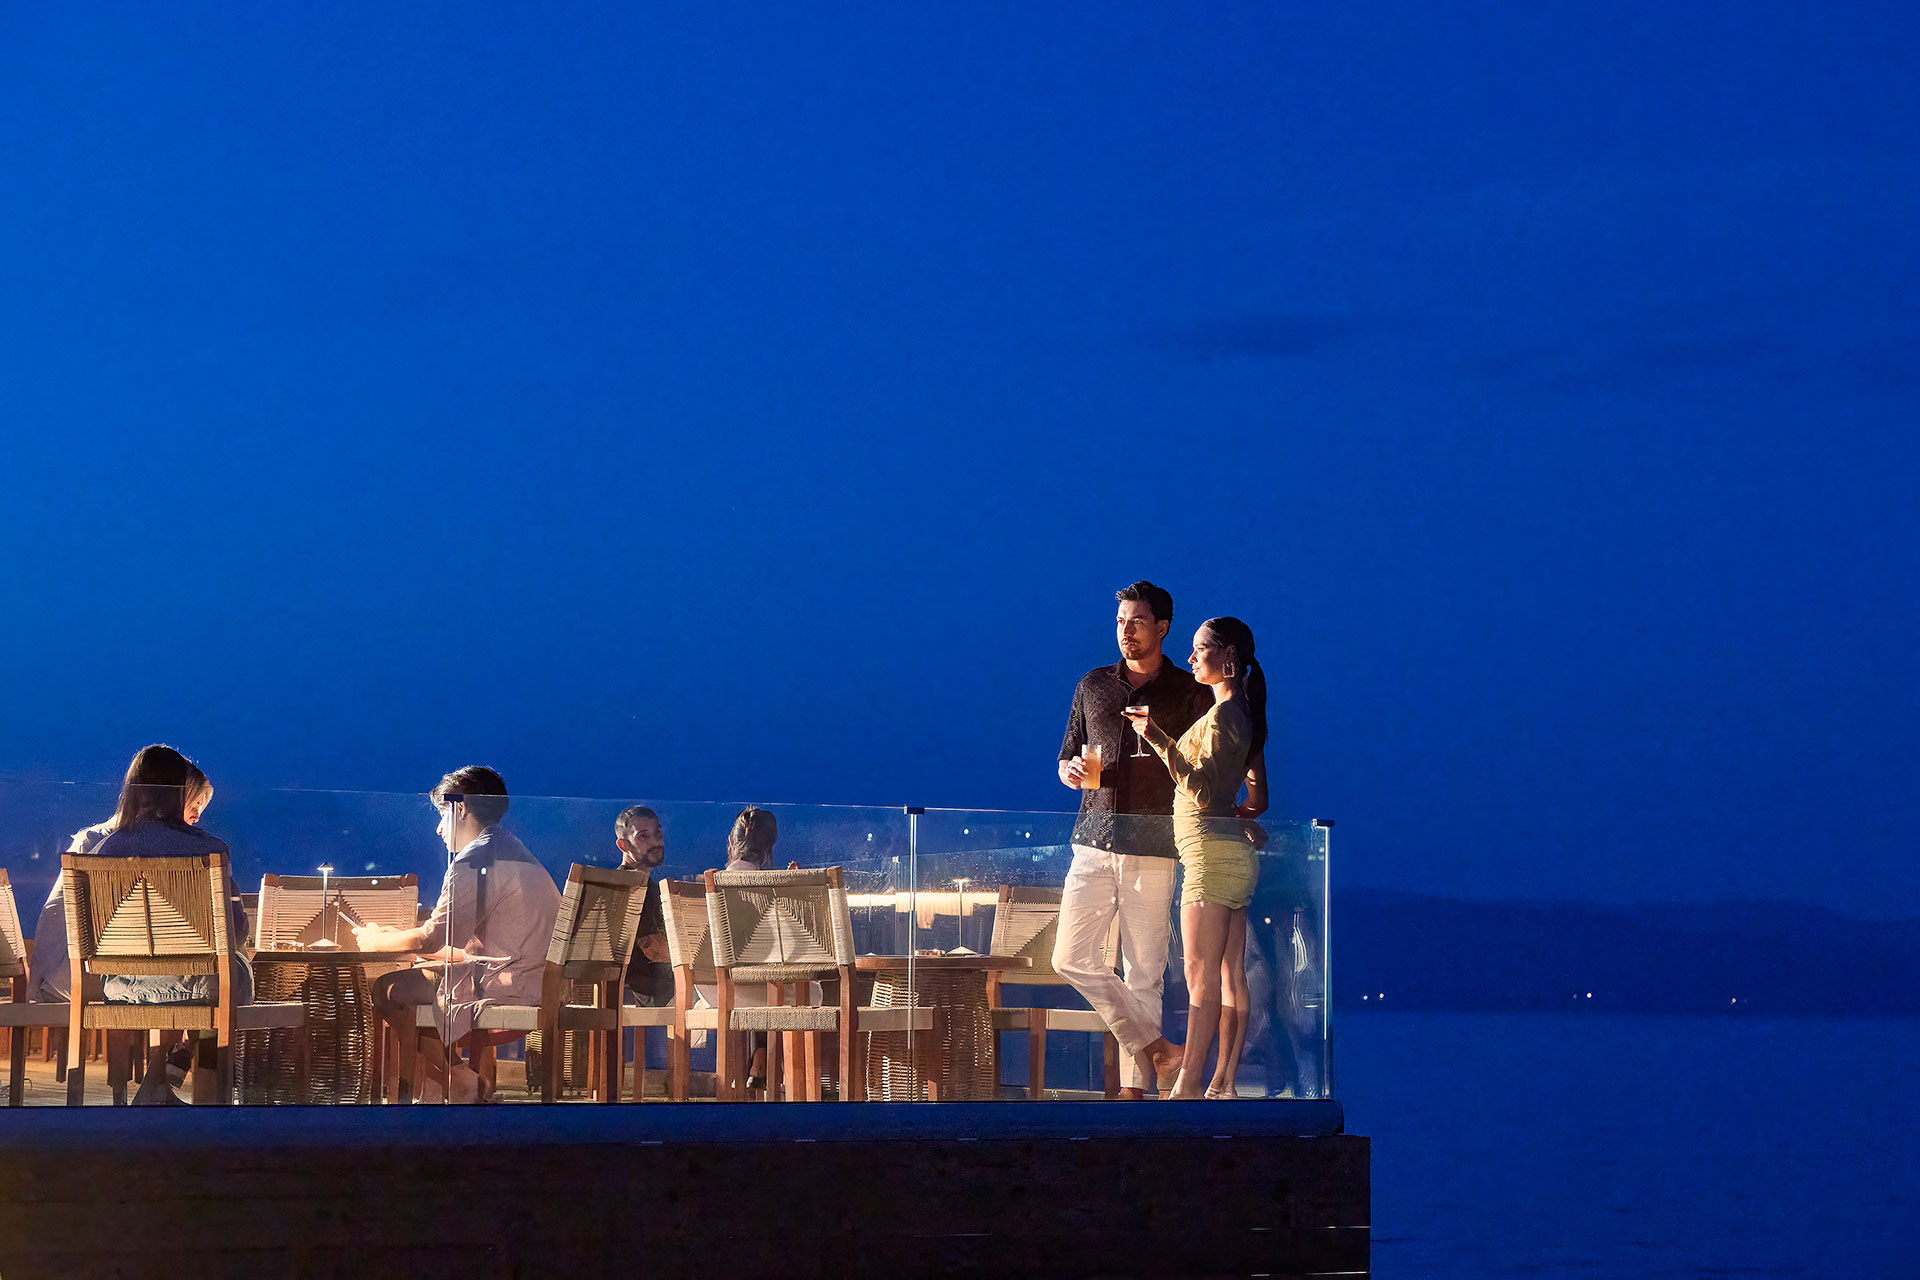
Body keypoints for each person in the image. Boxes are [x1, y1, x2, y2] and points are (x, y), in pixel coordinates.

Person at [1053, 581, 1211, 1098]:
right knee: (1070, 958)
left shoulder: (1189, 693)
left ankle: (1135, 1090)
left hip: (1154, 844)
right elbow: (1066, 755)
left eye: (1137, 621)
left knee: (1144, 970)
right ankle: (1160, 1050)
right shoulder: (1093, 685)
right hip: (1092, 837)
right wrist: (1070, 769)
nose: (1126, 631)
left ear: (1162, 627)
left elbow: (1198, 772)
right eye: (1121, 621)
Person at [354, 766, 562, 1104]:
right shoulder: (515, 851)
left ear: (460, 808)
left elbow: (432, 938)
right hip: (537, 980)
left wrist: (377, 941)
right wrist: (404, 939)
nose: (438, 829)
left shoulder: (476, 859)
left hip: (506, 985)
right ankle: (443, 1087)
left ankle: (457, 1077)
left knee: (388, 988)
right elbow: (464, 946)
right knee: (422, 983)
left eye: (441, 814)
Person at [1126, 616, 1268, 1099]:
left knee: (1199, 974)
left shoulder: (1227, 715)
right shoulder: (1238, 714)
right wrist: (1238, 815)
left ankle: (1188, 1083)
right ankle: (1222, 1083)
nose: (1190, 659)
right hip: (1222, 850)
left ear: (1227, 658)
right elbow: (1254, 797)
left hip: (1208, 856)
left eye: (1198, 650)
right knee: (1228, 974)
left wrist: (1157, 738)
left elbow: (1203, 793)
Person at [616, 805, 673, 1007]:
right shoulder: (622, 888)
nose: (655, 842)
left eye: (657, 833)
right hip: (642, 991)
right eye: (643, 837)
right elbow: (652, 948)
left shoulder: (653, 889)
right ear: (623, 845)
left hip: (663, 987)